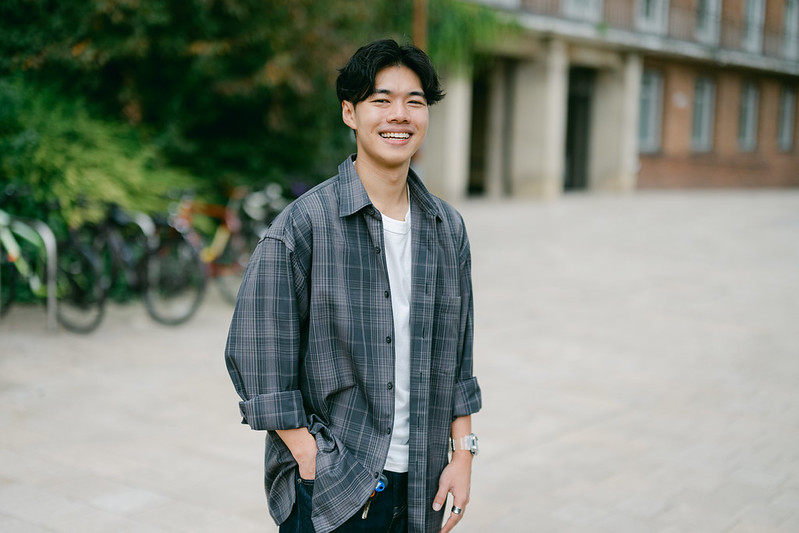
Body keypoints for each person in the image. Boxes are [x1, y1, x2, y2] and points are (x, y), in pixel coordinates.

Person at [224, 38, 481, 533]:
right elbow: (254, 351)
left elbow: (459, 354)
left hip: (424, 484)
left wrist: (463, 454)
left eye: (414, 102)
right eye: (381, 100)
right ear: (350, 112)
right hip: (337, 490)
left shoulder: (448, 229)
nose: (398, 115)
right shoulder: (305, 226)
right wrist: (309, 454)